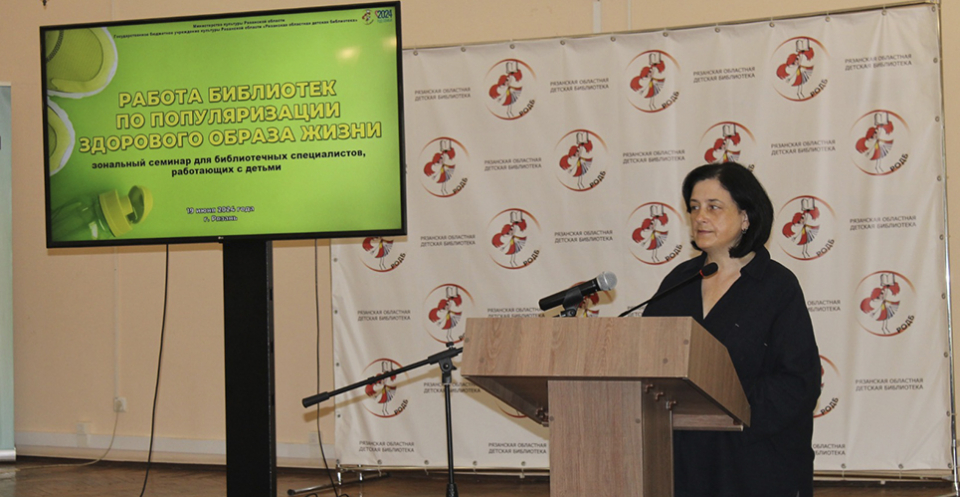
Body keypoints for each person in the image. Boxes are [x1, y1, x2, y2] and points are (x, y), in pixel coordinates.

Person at [642, 162, 821, 497]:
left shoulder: (777, 287)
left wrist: (727, 407)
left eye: (713, 207)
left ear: (745, 217)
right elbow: (644, 359)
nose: (700, 217)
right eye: (694, 207)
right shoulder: (678, 282)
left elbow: (798, 382)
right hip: (683, 463)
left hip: (753, 463)